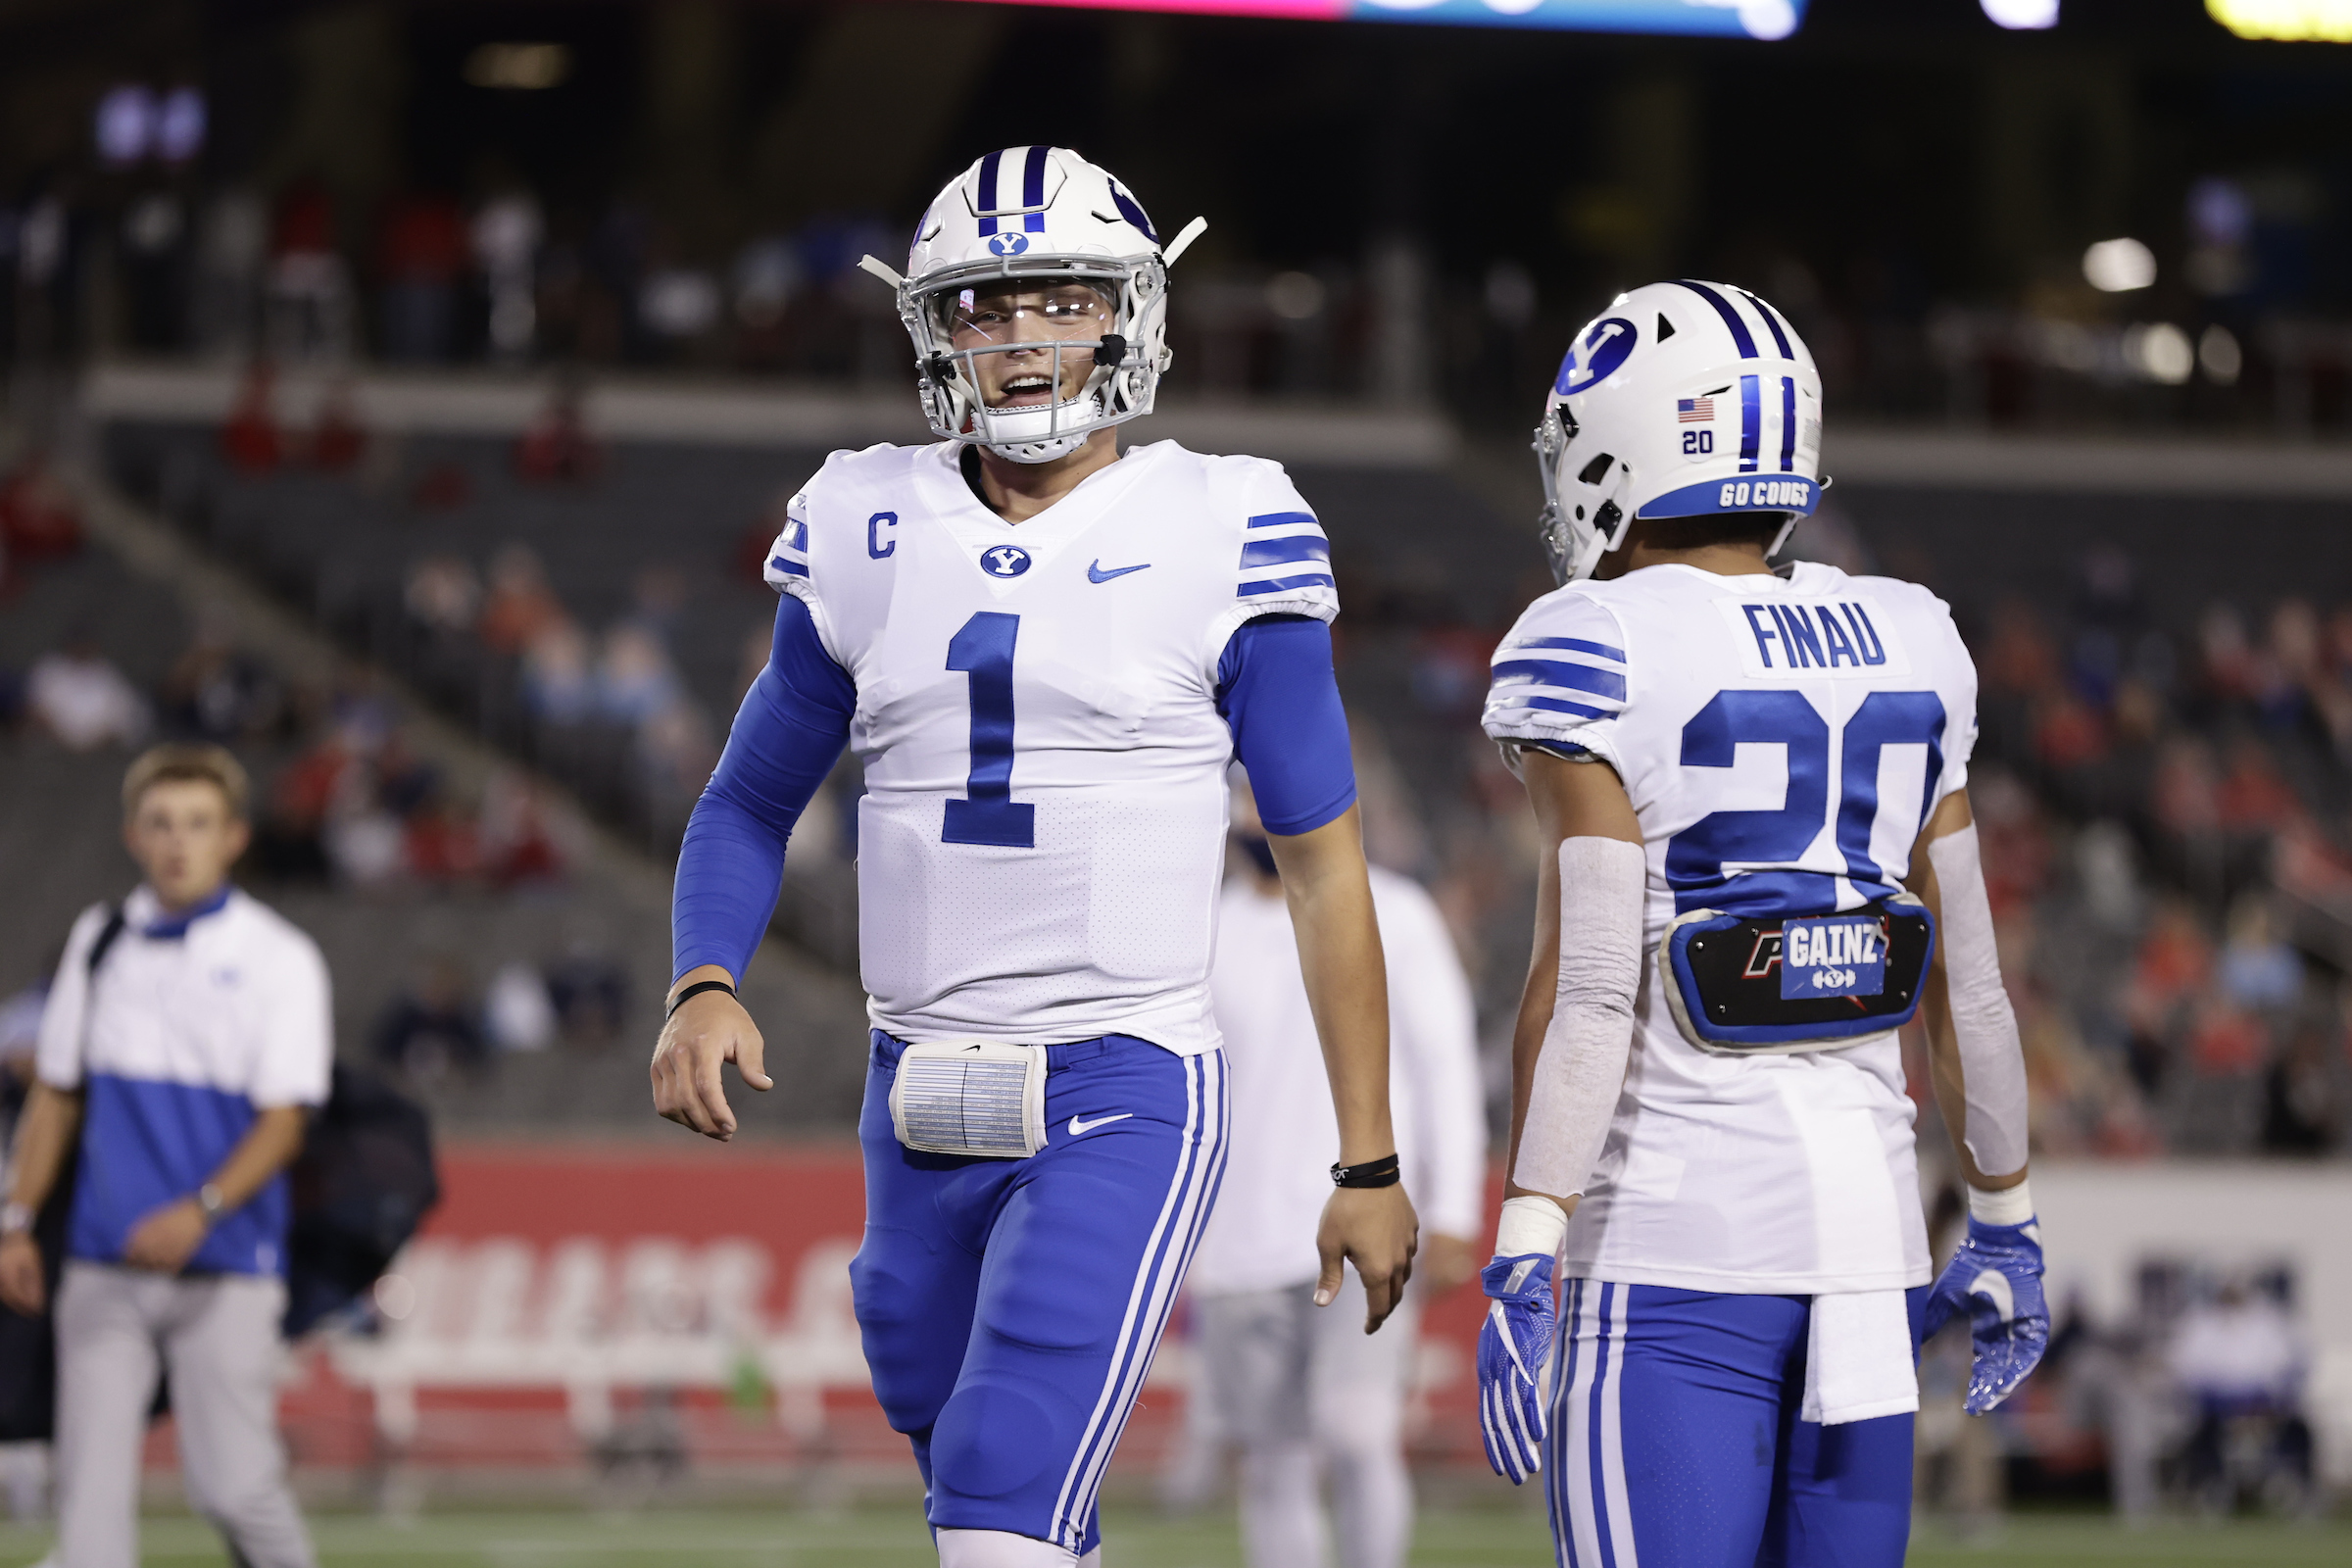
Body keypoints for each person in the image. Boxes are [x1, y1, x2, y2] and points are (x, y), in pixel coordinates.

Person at [650, 146, 1416, 1568]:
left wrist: (1367, 1157)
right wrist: (704, 977)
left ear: (1131, 314)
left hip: (1123, 1077)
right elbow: (746, 803)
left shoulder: (1226, 521)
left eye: (1061, 302)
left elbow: (1321, 866)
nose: (1023, 340)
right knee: (977, 1474)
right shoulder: (864, 519)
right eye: (987, 308)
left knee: (1005, 1488)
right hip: (917, 1082)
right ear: (935, 328)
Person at [1470, 282, 2048, 1567]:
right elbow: (1977, 986)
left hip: (1676, 1247)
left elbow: (1591, 988)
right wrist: (2004, 1214)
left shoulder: (1594, 640)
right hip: (1872, 1250)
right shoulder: (1914, 633)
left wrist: (1526, 1236)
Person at [0, 744, 329, 1568]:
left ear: (234, 837)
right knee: (90, 1528)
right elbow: (58, 1093)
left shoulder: (278, 959)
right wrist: (16, 1219)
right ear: (132, 837)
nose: (178, 841)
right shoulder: (99, 941)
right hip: (104, 1265)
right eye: (160, 823)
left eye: (197, 823)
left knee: (235, 1489)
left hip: (226, 1262)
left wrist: (201, 1210)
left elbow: (284, 1123)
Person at [1185, 781, 1487, 1568]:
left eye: (1265, 791)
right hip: (1237, 1239)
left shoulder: (1394, 909)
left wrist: (1454, 1208)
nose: (1255, 810)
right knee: (1273, 1461)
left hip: (1363, 1221)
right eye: (1240, 794)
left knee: (1358, 1434)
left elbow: (1445, 1065)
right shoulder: (1196, 927)